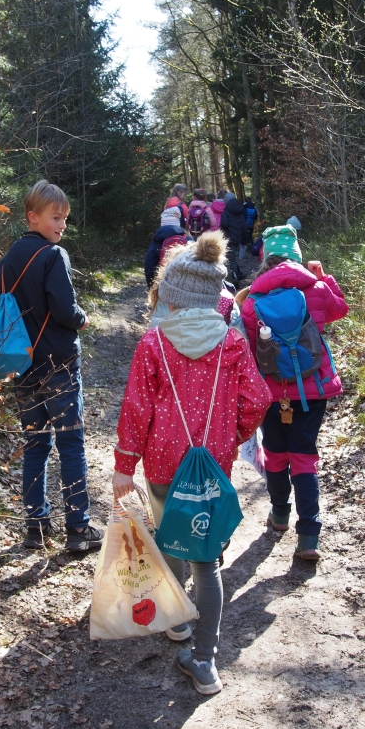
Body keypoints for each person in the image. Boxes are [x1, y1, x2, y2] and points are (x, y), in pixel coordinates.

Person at [112, 232, 271, 695]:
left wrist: (125, 465)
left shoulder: (154, 346)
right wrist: (232, 435)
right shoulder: (234, 345)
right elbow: (257, 400)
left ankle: (177, 622)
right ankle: (205, 662)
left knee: (169, 539)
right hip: (212, 464)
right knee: (207, 559)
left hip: (163, 465)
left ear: (176, 298)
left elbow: (137, 410)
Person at [0, 180, 104, 552]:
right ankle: (78, 529)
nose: (62, 226)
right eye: (56, 217)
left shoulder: (6, 262)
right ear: (33, 217)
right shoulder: (54, 256)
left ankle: (35, 528)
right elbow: (65, 311)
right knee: (71, 445)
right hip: (58, 366)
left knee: (35, 445)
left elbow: (1, 313)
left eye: (65, 219)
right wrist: (83, 319)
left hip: (23, 368)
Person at [239, 224, 349, 560]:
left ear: (264, 259)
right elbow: (339, 310)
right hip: (312, 390)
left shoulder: (252, 300)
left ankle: (280, 515)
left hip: (271, 395)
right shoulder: (315, 288)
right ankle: (309, 536)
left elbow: (249, 347)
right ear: (297, 256)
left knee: (275, 455)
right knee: (304, 456)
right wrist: (324, 277)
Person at [144, 207, 190, 287]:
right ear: (178, 223)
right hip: (184, 285)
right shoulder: (187, 239)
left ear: (162, 223)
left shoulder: (157, 240)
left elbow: (149, 266)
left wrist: (152, 286)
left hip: (164, 284)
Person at [220, 193, 247, 284]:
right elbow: (244, 226)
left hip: (228, 238)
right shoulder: (240, 210)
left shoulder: (226, 211)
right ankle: (237, 273)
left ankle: (234, 277)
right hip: (238, 238)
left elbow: (224, 224)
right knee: (233, 257)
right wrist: (244, 239)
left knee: (230, 258)